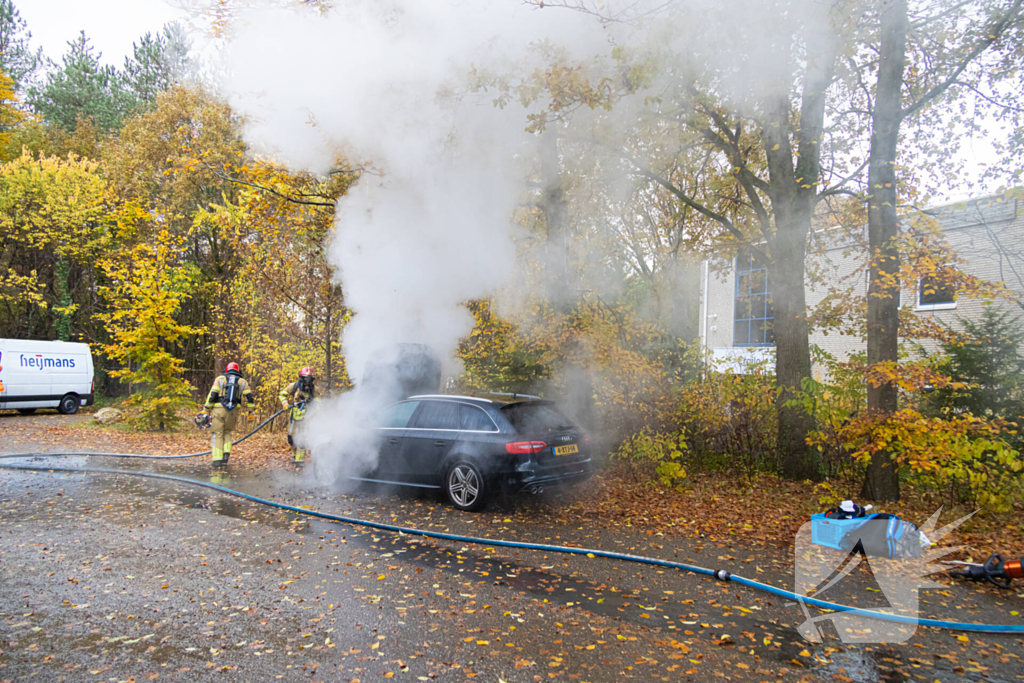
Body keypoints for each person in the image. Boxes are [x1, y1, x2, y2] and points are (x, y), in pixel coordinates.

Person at [201, 362, 256, 467]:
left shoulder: (220, 379)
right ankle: (226, 455)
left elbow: (212, 395)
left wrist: (206, 409)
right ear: (238, 371)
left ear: (227, 369)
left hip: (218, 410)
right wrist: (251, 411)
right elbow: (250, 398)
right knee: (227, 432)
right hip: (233, 411)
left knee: (217, 434)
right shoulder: (242, 381)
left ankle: (217, 460)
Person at [279, 366, 315, 465]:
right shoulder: (294, 386)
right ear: (301, 378)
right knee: (291, 438)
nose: (307, 381)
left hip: (306, 418)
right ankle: (295, 456)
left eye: (309, 379)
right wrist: (285, 403)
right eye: (305, 378)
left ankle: (300, 461)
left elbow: (318, 403)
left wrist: (313, 413)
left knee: (302, 439)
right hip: (294, 418)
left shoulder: (314, 389)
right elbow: (282, 394)